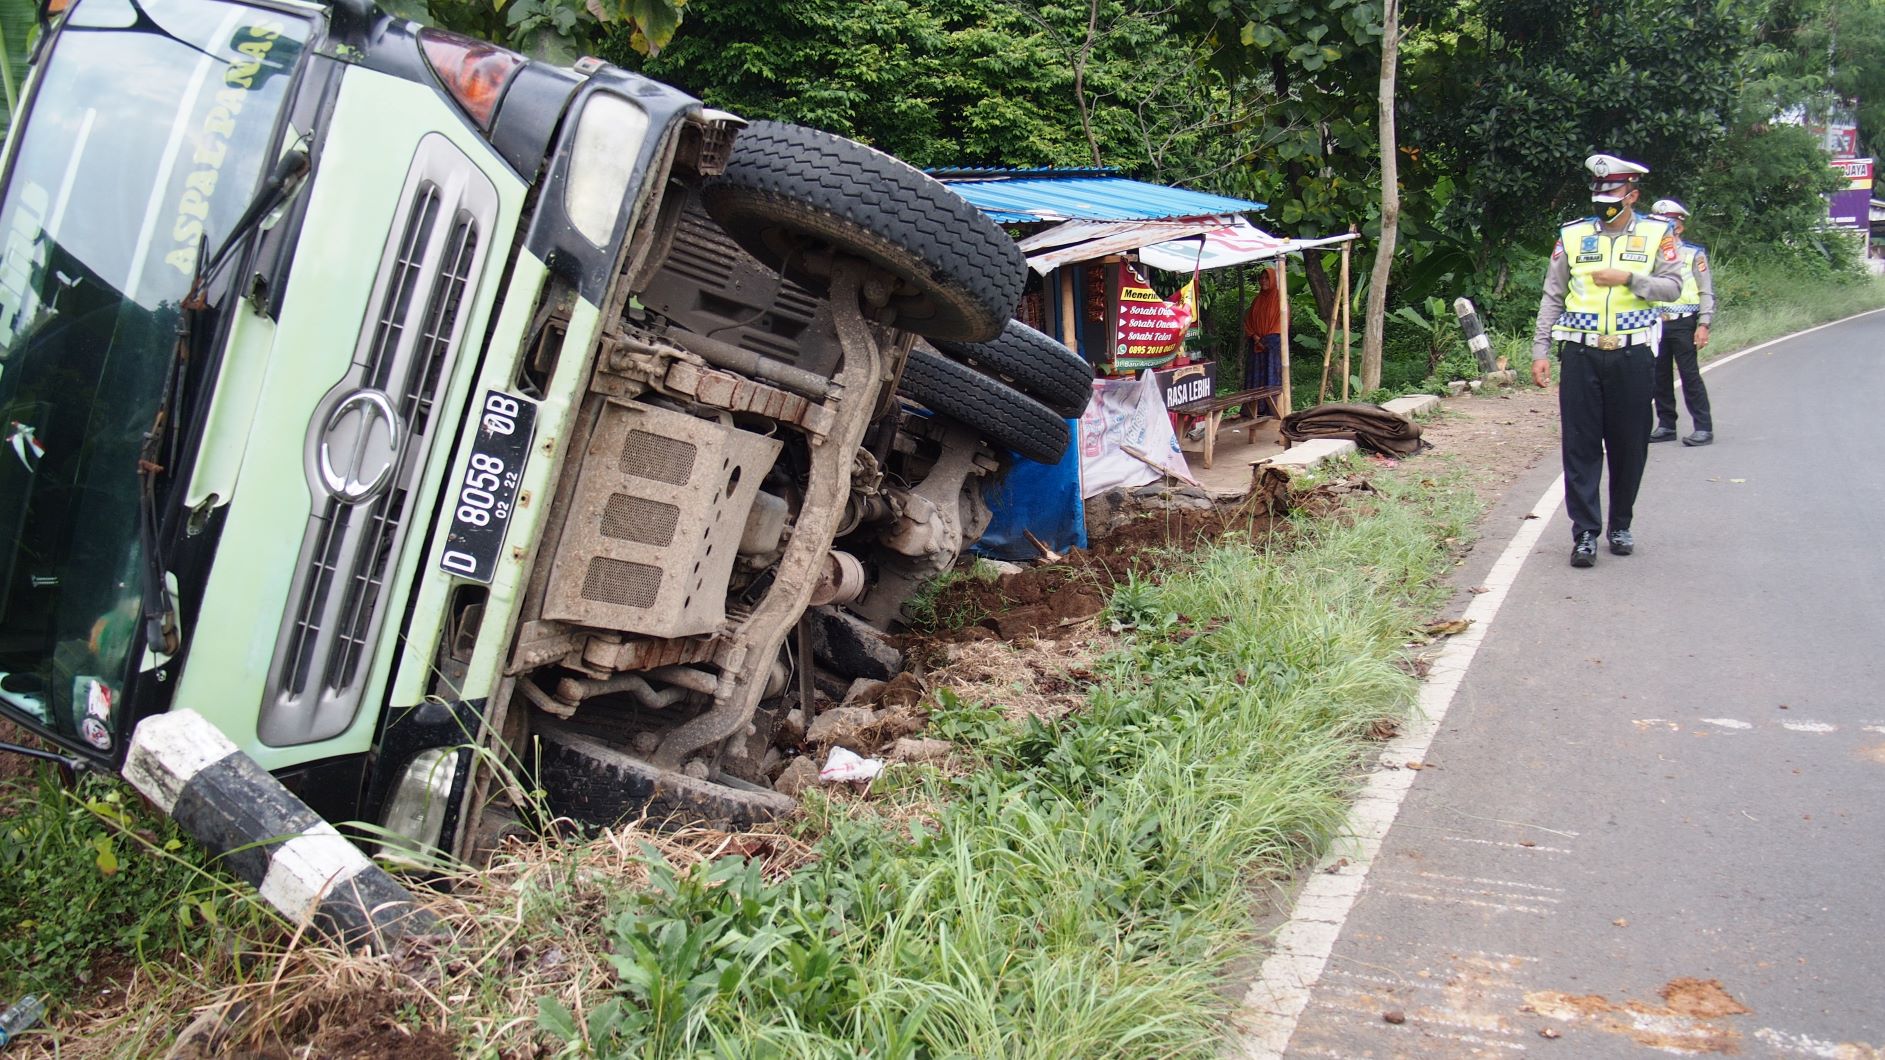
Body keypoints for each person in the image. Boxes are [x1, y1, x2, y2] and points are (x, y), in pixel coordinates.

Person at [1531, 154, 1685, 568]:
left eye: (1613, 194)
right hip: (1580, 353)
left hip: (1633, 355)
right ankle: (1584, 533)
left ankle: (1620, 523)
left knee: (1629, 444)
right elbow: (1553, 294)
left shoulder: (1659, 234)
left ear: (1632, 195)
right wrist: (1540, 349)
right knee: (1580, 446)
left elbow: (1672, 287)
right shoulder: (1573, 235)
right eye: (1598, 194)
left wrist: (1631, 279)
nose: (1604, 201)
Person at [1646, 199, 1715, 446]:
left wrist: (1704, 324)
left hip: (1684, 322)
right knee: (1658, 376)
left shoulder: (1692, 254)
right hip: (1655, 323)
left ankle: (1703, 427)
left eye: (1669, 225)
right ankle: (1666, 425)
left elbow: (1705, 290)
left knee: (1689, 375)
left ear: (1679, 227)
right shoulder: (1646, 254)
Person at [1241, 264, 1282, 390]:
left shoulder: (1279, 300)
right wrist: (1254, 337)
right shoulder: (1257, 300)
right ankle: (1255, 409)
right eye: (1261, 278)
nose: (1263, 281)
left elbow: (1280, 324)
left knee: (1270, 378)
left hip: (1271, 348)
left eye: (1267, 278)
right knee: (1255, 379)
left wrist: (1265, 341)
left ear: (1273, 280)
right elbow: (1248, 321)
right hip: (1255, 345)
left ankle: (1271, 409)